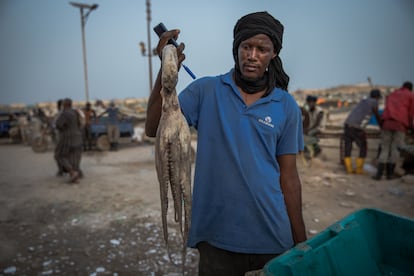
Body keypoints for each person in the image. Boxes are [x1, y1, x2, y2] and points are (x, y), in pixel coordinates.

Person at [145, 11, 306, 275]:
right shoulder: (205, 91)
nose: (252, 55)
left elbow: (289, 178)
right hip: (216, 240)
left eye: (262, 49)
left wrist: (301, 242)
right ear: (236, 48)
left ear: (273, 54)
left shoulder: (285, 105)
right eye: (246, 47)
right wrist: (165, 68)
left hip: (272, 238)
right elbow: (154, 127)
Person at [373, 81, 414, 180]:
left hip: (386, 123)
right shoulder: (411, 96)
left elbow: (387, 109)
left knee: (385, 148)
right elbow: (410, 114)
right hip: (400, 124)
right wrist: (411, 127)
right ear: (411, 88)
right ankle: (390, 174)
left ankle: (379, 174)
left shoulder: (392, 94)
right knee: (395, 149)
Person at [343, 89, 382, 174]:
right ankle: (359, 169)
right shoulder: (374, 102)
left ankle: (349, 169)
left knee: (348, 147)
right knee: (363, 147)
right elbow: (376, 115)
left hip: (347, 124)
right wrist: (381, 126)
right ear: (377, 97)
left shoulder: (363, 100)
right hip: (356, 127)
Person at [55, 98, 83, 183]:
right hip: (78, 137)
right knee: (74, 157)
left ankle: (72, 172)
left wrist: (64, 128)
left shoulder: (64, 113)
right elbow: (79, 124)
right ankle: (77, 174)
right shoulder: (76, 112)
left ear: (64, 105)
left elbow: (58, 125)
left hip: (68, 137)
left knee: (59, 155)